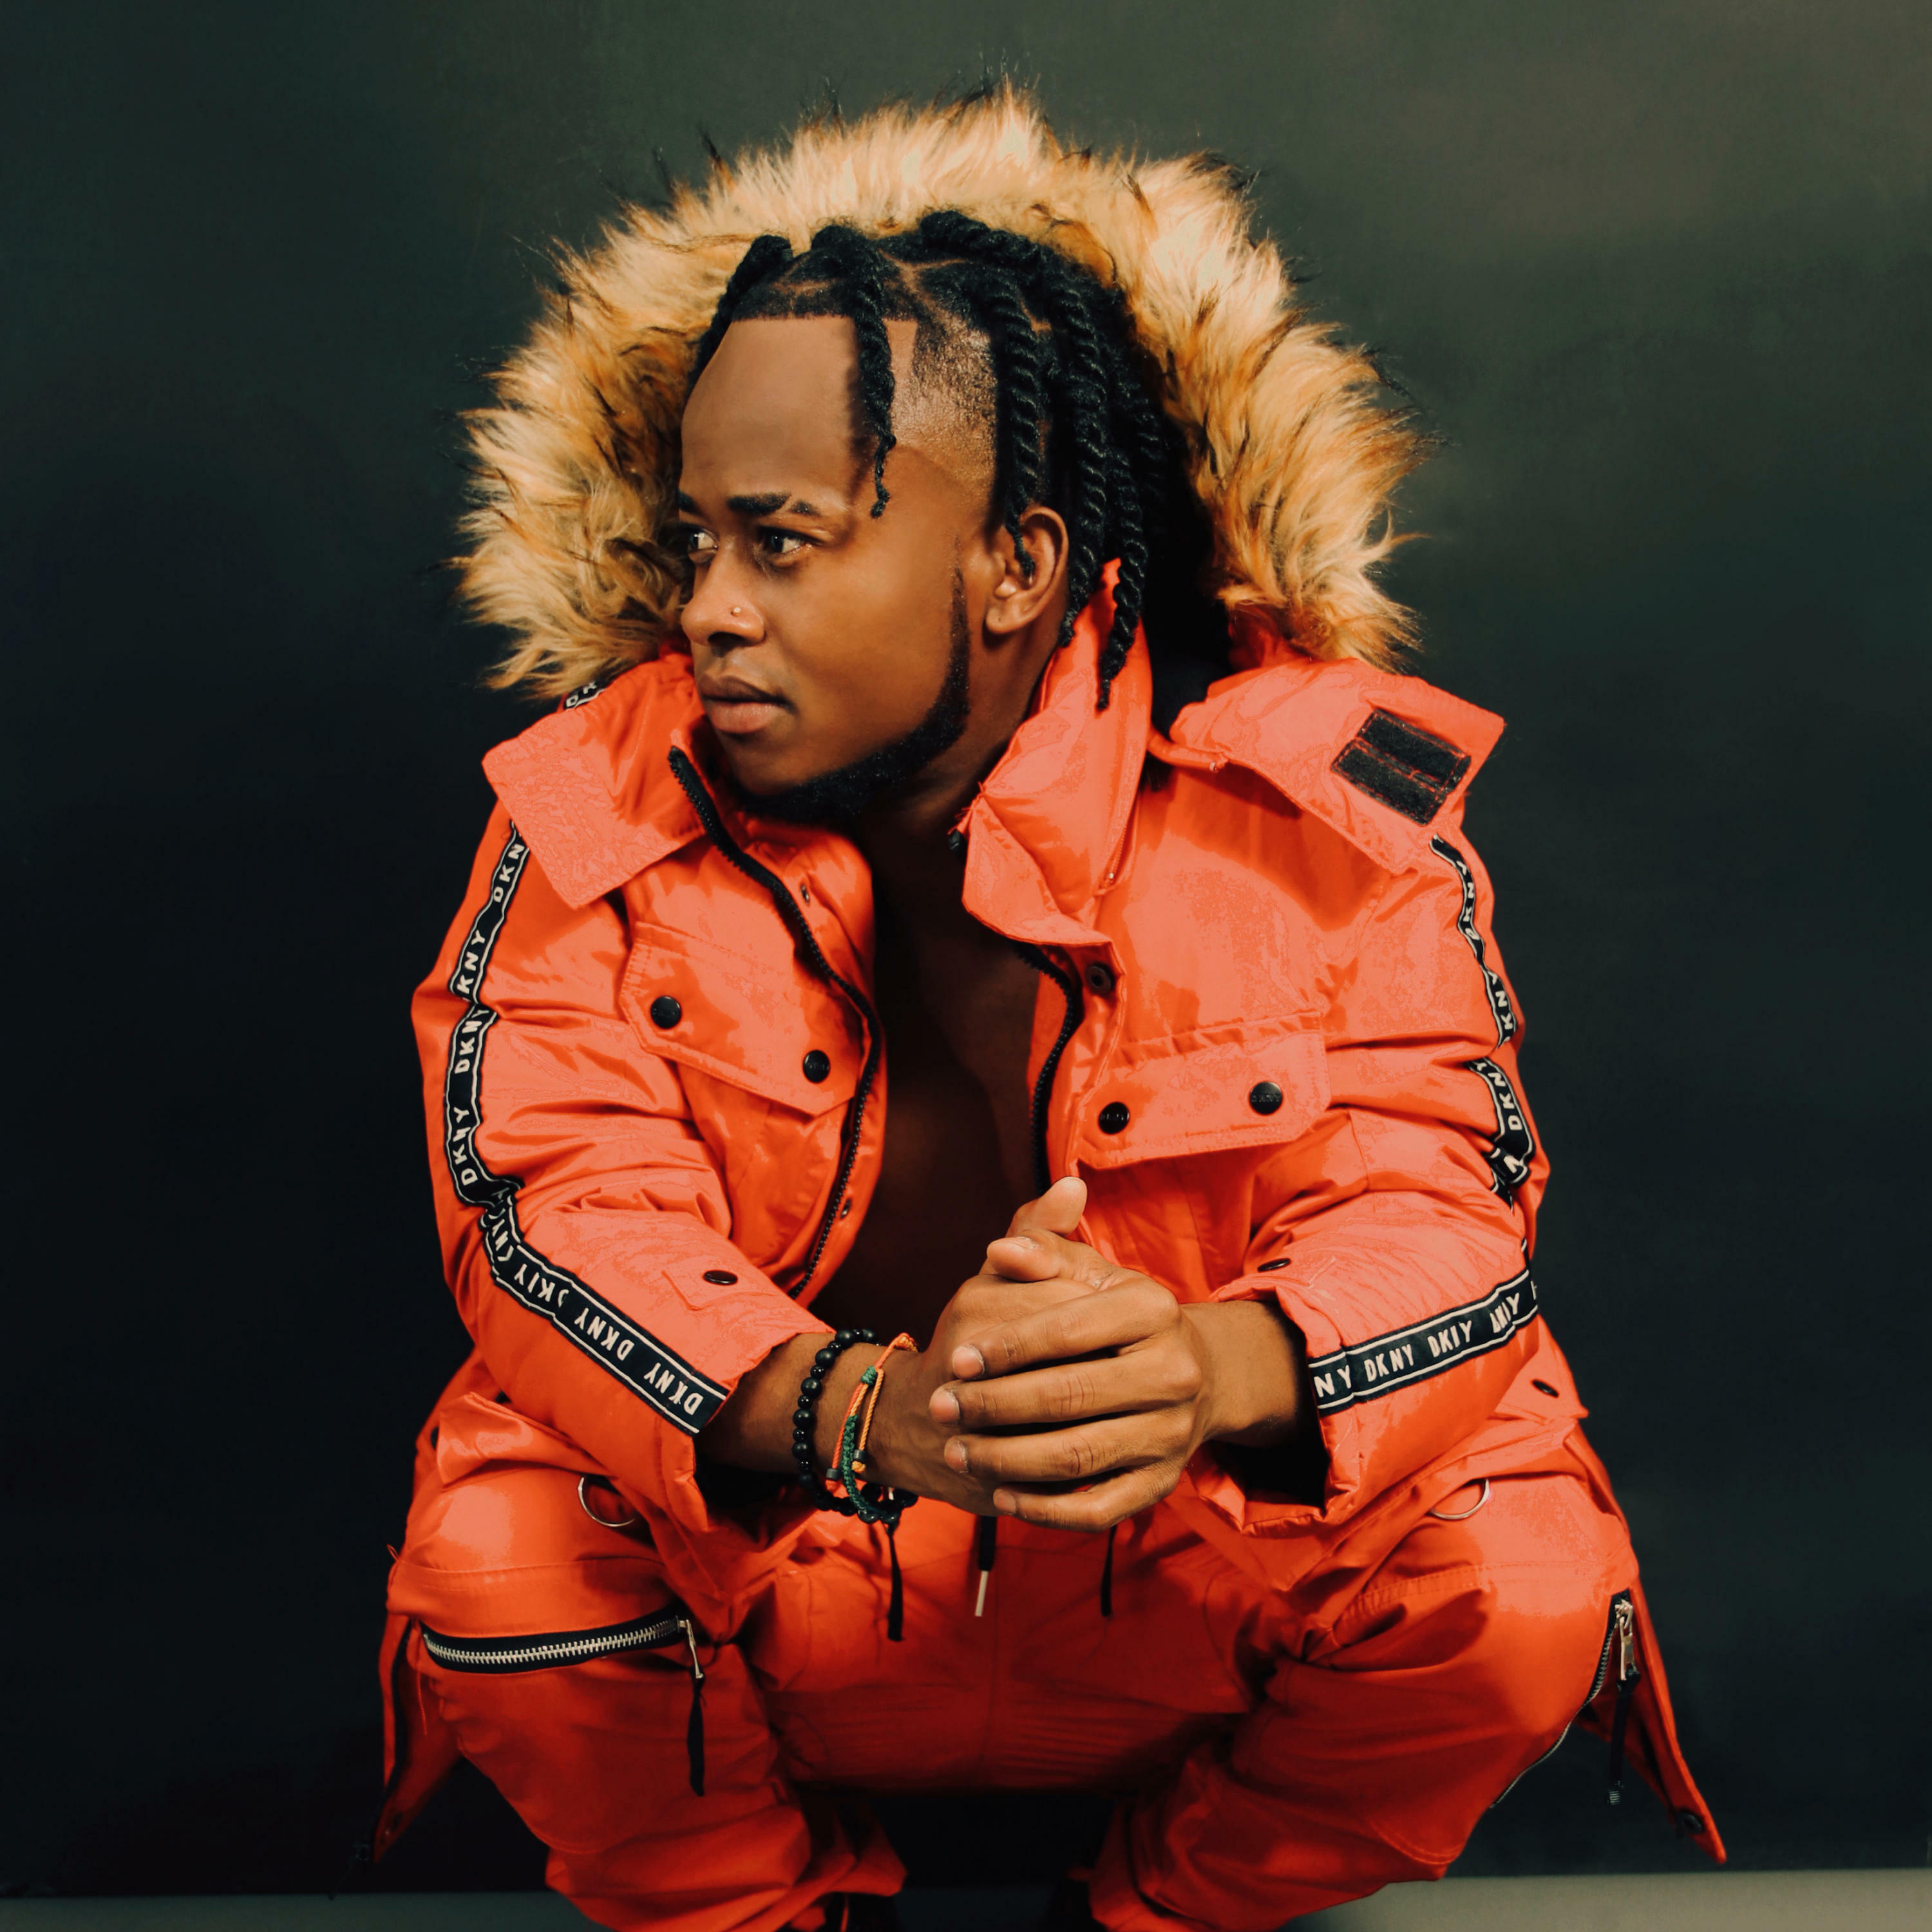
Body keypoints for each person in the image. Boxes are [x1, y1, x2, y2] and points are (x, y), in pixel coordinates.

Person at [369, 86, 1719, 1931]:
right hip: (793, 1578)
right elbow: (543, 1214)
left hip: (1180, 1580)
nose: (711, 612)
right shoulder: (588, 814)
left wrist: (1211, 1373)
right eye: (695, 545)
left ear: (1017, 562)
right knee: (504, 1549)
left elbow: (1448, 1219)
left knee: (1521, 1568)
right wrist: (859, 1412)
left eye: (783, 540)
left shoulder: (1325, 815)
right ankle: (757, 1913)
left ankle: (1163, 1916)